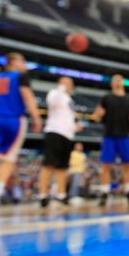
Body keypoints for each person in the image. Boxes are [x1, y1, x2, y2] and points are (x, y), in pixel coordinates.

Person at [0, 52, 42, 215]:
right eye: (22, 60)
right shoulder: (20, 77)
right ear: (13, 62)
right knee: (8, 159)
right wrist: (36, 117)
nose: (25, 64)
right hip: (14, 120)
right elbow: (28, 97)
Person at [91, 74, 129, 205]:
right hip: (109, 136)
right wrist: (97, 114)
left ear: (123, 82)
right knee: (105, 165)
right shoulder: (106, 98)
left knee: (128, 164)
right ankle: (104, 192)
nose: (117, 82)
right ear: (111, 83)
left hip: (125, 136)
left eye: (119, 80)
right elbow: (96, 115)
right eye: (115, 80)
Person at [38, 77, 80, 207]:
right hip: (55, 132)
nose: (68, 85)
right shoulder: (55, 93)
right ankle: (43, 195)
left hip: (67, 135)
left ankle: (61, 194)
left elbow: (68, 118)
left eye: (70, 83)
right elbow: (52, 102)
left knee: (62, 167)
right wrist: (61, 88)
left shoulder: (70, 101)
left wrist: (75, 127)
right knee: (48, 164)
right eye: (65, 82)